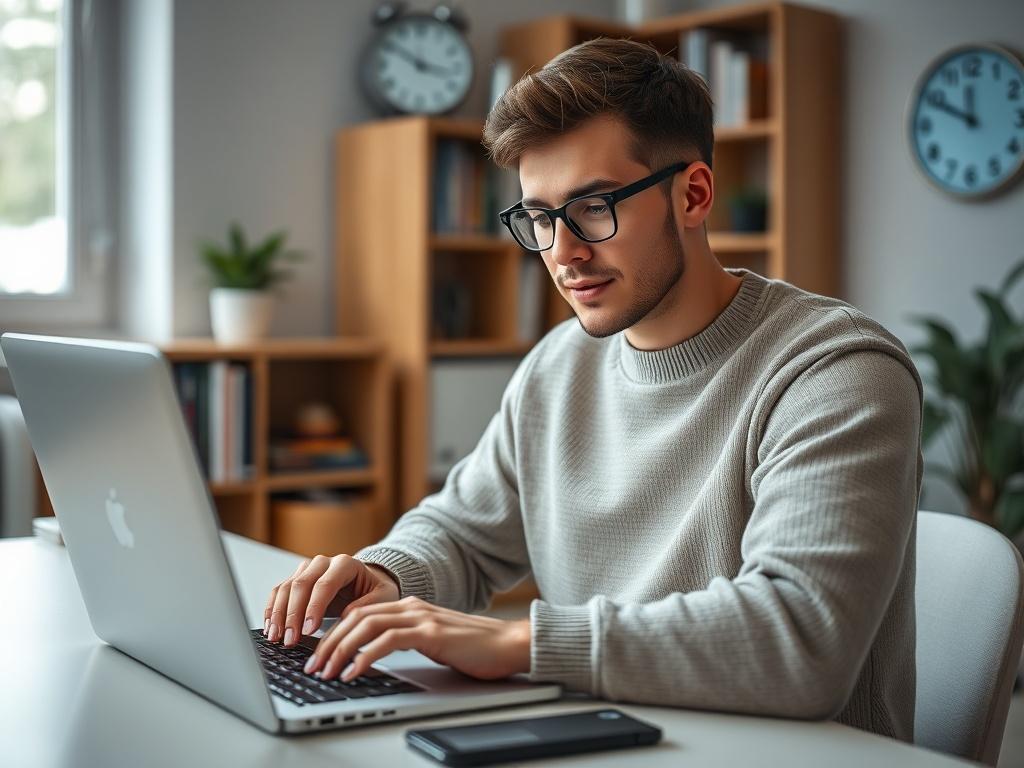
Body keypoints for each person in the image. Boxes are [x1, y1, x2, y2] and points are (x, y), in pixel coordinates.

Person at [263, 37, 923, 742]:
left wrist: (522, 645)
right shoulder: (560, 365)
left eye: (594, 207)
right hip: (604, 735)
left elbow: (802, 641)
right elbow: (463, 532)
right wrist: (385, 578)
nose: (563, 252)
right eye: (540, 218)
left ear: (693, 194)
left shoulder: (837, 371)